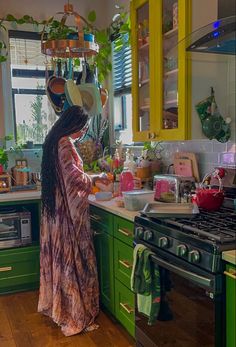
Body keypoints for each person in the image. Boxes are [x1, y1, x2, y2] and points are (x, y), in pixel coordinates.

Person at [38, 105, 99, 336]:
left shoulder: (54, 140)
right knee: (73, 263)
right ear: (74, 125)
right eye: (82, 128)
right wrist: (96, 178)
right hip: (66, 216)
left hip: (56, 213)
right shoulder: (64, 143)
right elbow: (73, 177)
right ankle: (74, 314)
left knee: (61, 262)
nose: (83, 133)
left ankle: (61, 309)